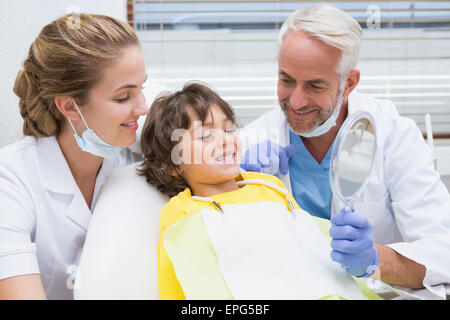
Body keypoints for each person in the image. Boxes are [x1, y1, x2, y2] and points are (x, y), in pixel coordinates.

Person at [240, 3, 450, 299]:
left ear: (349, 83)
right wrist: (237, 187)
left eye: (315, 85)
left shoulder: (393, 136)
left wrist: (376, 260)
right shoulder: (252, 142)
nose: (297, 102)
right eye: (286, 80)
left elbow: (443, 251)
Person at [138, 82, 379, 300]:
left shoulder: (267, 185)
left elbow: (306, 241)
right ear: (171, 165)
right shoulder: (181, 212)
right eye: (206, 135)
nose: (225, 140)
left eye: (229, 129)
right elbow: (183, 284)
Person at [0, 13, 149, 299]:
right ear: (69, 105)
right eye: (123, 97)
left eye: (142, 88)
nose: (142, 107)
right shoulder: (10, 180)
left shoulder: (137, 163)